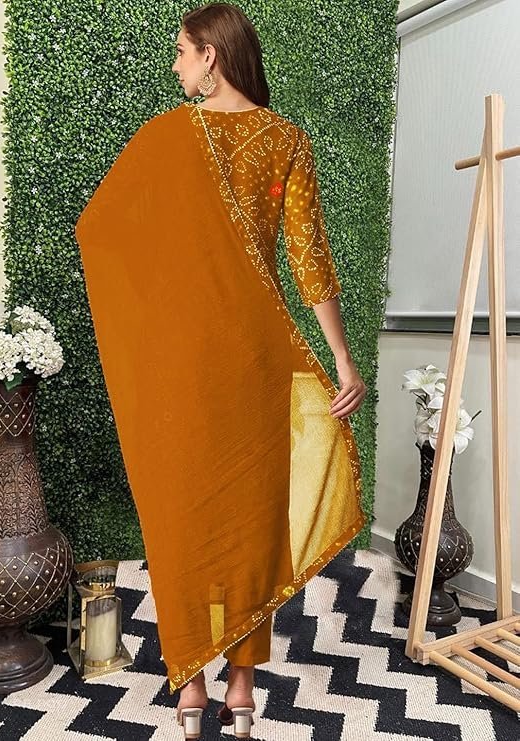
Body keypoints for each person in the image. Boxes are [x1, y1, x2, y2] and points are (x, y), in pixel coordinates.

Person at [75, 3, 367, 738]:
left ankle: (193, 687)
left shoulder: (164, 139)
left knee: (188, 523)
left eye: (182, 51)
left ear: (211, 55)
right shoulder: (285, 138)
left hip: (186, 364)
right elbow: (308, 257)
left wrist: (159, 311)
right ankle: (241, 689)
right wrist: (340, 357)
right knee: (248, 525)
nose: (176, 65)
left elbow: (100, 229)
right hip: (256, 360)